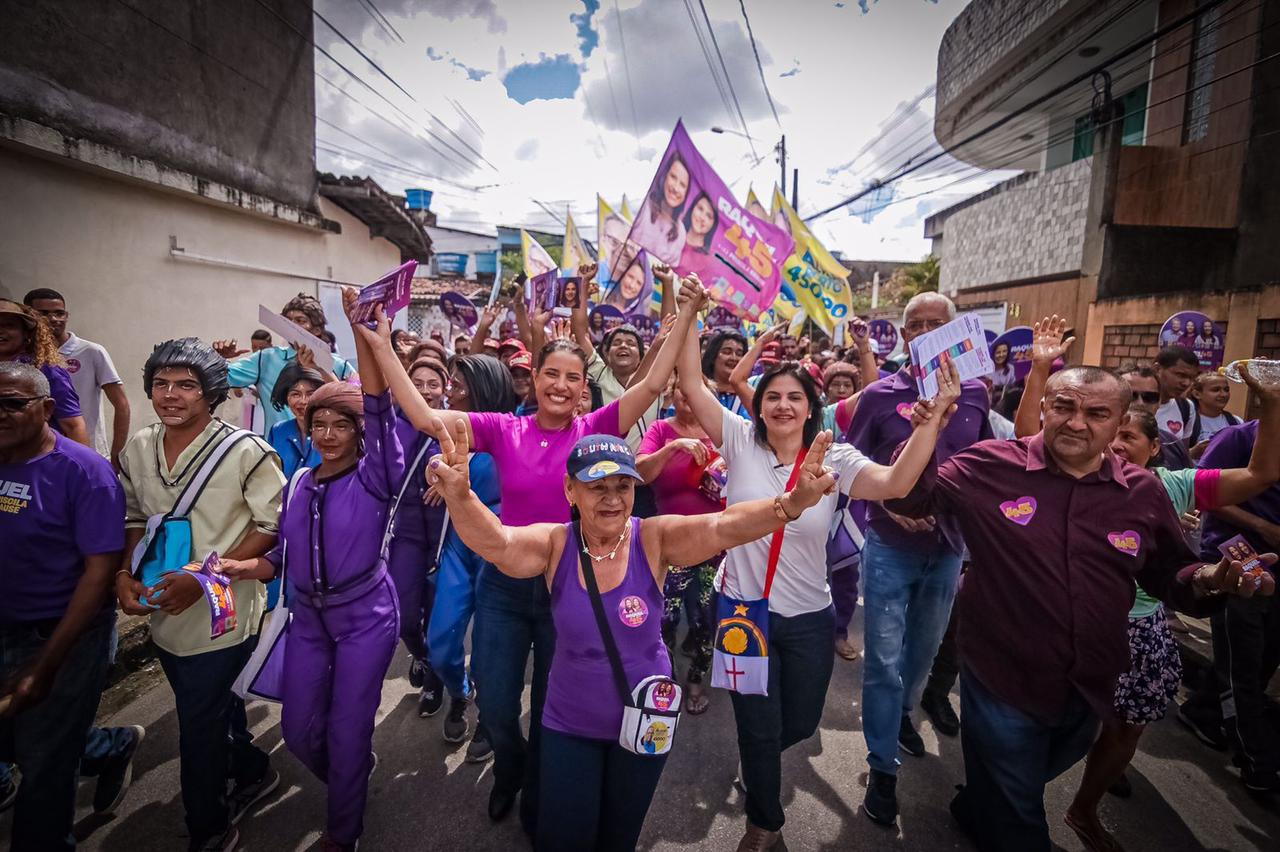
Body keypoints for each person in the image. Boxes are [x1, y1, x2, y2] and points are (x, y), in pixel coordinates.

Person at [359, 277, 704, 833]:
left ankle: (543, 793)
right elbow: (425, 417)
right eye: (552, 374)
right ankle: (510, 769)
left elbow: (655, 381)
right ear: (536, 380)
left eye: (573, 377)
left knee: (551, 706)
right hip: (503, 585)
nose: (562, 386)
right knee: (496, 700)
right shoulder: (504, 428)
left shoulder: (596, 427)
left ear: (583, 390)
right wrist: (378, 342)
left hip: (571, 589)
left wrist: (684, 313)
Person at [886, 364, 1275, 852]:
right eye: (1064, 407)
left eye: (1096, 413)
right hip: (1002, 675)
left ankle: (979, 807)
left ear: (1117, 425)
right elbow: (908, 497)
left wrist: (1216, 577)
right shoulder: (988, 466)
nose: (1076, 423)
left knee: (1029, 774)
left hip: (1090, 685)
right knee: (1020, 813)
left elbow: (1172, 578)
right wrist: (928, 428)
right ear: (1044, 407)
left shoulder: (1144, 491)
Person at [423, 424, 840, 852]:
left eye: (623, 485)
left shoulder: (653, 538)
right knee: (566, 836)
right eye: (596, 486)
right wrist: (461, 497)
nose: (611, 498)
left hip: (646, 720)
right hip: (570, 723)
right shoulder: (555, 543)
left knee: (620, 836)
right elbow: (498, 542)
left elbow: (722, 526)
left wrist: (790, 504)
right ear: (570, 490)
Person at [676, 294, 965, 851]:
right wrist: (688, 312)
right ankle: (765, 821)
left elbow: (895, 484)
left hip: (811, 617)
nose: (783, 406)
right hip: (743, 610)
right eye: (772, 397)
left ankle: (759, 756)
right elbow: (691, 381)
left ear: (811, 408)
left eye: (794, 398)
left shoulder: (836, 457)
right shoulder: (737, 439)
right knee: (758, 728)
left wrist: (927, 428)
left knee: (802, 725)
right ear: (758, 407)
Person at [216, 288, 402, 852]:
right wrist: (241, 567)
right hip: (307, 623)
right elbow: (282, 558)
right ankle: (350, 777)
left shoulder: (376, 478)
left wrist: (364, 332)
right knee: (298, 732)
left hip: (366, 619)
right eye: (317, 423)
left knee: (347, 731)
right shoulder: (299, 483)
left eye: (338, 424)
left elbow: (378, 403)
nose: (325, 433)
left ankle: (343, 831)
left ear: (358, 431)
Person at [1062, 382, 1280, 850]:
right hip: (1077, 630)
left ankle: (1084, 809)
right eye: (1110, 431)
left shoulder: (1175, 486)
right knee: (1056, 725)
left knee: (1127, 728)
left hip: (1143, 631)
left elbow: (1260, 474)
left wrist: (1272, 403)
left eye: (1130, 437)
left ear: (1156, 448)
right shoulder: (1069, 480)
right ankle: (1003, 796)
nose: (1117, 443)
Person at [114, 338, 285, 851]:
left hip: (222, 603)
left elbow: (271, 527)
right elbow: (134, 516)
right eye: (161, 384)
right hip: (164, 604)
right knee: (210, 704)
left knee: (198, 722)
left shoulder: (245, 451)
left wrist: (206, 578)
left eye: (187, 385)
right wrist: (123, 572)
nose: (171, 395)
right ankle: (252, 769)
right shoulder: (140, 446)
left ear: (213, 394)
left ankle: (208, 826)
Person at [844, 292, 994, 828]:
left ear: (956, 332)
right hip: (889, 545)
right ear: (904, 336)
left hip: (951, 549)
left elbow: (984, 463)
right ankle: (882, 767)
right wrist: (889, 500)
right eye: (917, 325)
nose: (927, 332)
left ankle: (905, 713)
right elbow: (848, 463)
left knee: (924, 655)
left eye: (938, 324)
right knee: (882, 660)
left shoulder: (976, 393)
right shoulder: (881, 395)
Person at [0, 362, 125, 851]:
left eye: (13, 403)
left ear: (47, 409)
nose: (1, 414)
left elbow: (99, 573)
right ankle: (107, 747)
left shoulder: (84, 473)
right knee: (18, 739)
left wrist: (47, 664)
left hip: (65, 634)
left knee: (45, 765)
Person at [426, 354, 518, 761]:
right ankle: (460, 692)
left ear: (484, 387)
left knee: (489, 648)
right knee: (440, 642)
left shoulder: (514, 432)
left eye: (459, 385)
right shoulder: (445, 434)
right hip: (459, 544)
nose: (450, 391)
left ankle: (488, 719)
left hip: (502, 545)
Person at [1192, 417, 1280, 792]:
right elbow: (1202, 490)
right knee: (1241, 666)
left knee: (1262, 659)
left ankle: (1200, 712)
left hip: (1276, 575)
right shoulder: (1238, 437)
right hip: (1238, 561)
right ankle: (1257, 762)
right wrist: (1262, 527)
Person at [636, 375, 723, 715]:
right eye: (682, 390)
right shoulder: (660, 430)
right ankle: (665, 680)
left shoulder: (720, 430)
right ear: (671, 395)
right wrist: (673, 448)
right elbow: (641, 473)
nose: (689, 397)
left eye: (699, 391)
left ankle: (696, 679)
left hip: (713, 545)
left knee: (704, 619)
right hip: (670, 547)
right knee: (665, 619)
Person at [388, 356, 450, 719]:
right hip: (407, 532)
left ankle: (436, 681)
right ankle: (422, 655)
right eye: (418, 382)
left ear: (445, 389)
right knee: (405, 616)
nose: (425, 389)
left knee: (441, 615)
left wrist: (451, 481)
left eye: (433, 383)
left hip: (446, 532)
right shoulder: (391, 424)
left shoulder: (456, 423)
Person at [214, 293, 357, 436]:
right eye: (288, 321)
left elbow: (358, 402)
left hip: (325, 448)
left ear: (316, 330)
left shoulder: (336, 364)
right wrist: (218, 359)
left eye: (300, 320)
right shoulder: (266, 359)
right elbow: (221, 378)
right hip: (279, 450)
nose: (292, 326)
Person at [24, 288, 131, 467]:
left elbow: (122, 405)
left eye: (59, 313)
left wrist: (116, 455)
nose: (53, 319)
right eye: (43, 313)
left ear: (66, 316)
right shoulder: (23, 356)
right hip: (37, 454)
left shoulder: (91, 351)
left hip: (88, 453)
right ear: (29, 316)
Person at [0, 299, 89, 445]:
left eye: (9, 325)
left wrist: (83, 465)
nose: (1, 330)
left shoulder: (45, 370)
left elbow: (73, 425)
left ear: (26, 334)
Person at [1117, 364, 1193, 470]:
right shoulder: (1098, 442)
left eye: (1150, 397)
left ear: (1159, 403)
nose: (1140, 403)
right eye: (1131, 396)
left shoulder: (1173, 443)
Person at [266, 361, 325, 479]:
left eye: (310, 394)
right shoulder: (277, 431)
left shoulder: (333, 432)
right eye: (295, 394)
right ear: (285, 397)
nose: (303, 401)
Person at [632, 152, 690, 266]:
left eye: (683, 185)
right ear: (664, 176)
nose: (676, 188)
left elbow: (670, 273)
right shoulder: (644, 208)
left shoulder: (681, 232)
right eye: (673, 177)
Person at [1153, 345, 1200, 440]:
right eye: (1180, 375)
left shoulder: (1186, 407)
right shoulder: (1133, 402)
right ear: (1157, 369)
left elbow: (1182, 452)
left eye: (1191, 378)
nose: (1186, 383)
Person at [1188, 371, 1241, 453]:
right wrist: (1193, 452)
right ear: (1197, 394)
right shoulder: (1188, 420)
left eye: (1226, 390)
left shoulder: (1236, 422)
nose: (1223, 394)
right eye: (1216, 390)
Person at [702, 330, 749, 417]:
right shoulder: (701, 392)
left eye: (739, 354)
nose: (734, 358)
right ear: (713, 356)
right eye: (727, 352)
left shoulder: (750, 396)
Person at [679, 190, 719, 280]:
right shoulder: (671, 235)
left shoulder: (708, 262)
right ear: (693, 208)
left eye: (709, 216)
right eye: (700, 209)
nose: (702, 218)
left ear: (714, 223)